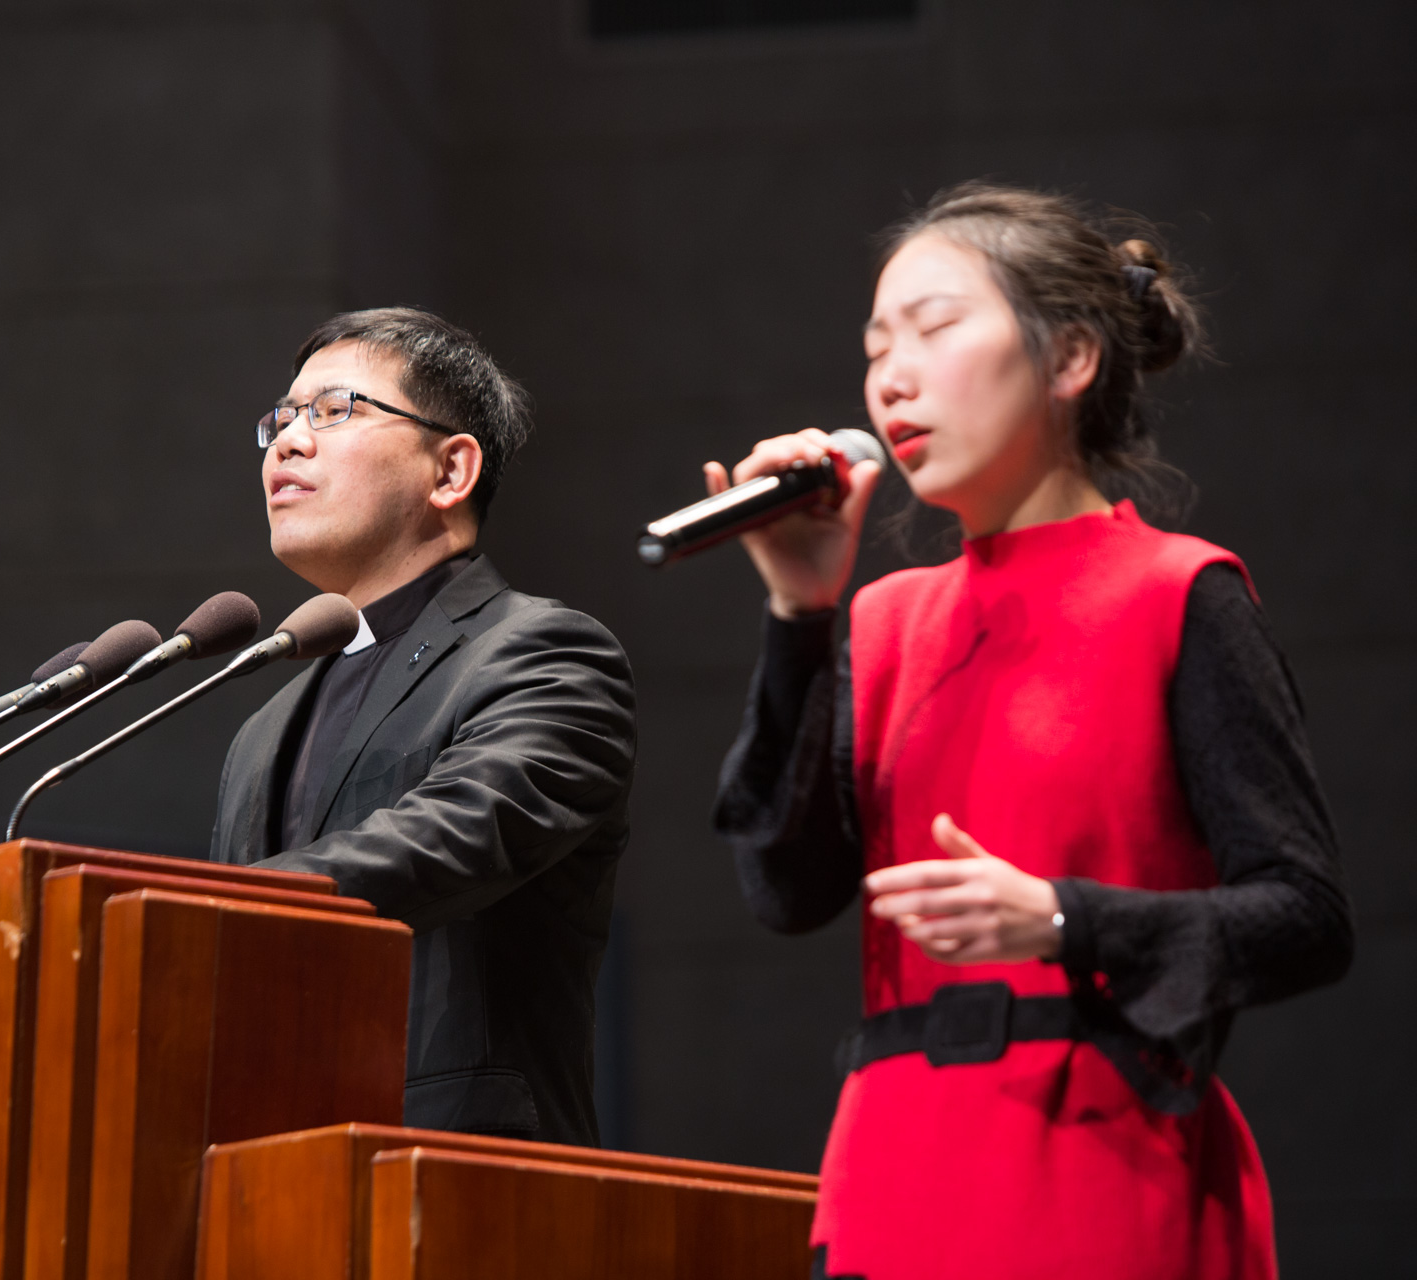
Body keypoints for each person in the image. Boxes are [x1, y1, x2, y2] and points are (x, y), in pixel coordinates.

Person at [709, 184, 1352, 1279]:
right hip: (891, 1174)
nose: (891, 377)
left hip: (1102, 1161)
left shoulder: (1178, 594)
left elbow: (1306, 916)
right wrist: (800, 615)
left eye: (936, 326)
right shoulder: (885, 617)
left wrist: (1064, 916)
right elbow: (785, 888)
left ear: (1070, 361)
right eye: (875, 347)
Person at [209, 307, 635, 1145]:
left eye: (334, 411)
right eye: (282, 419)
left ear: (451, 469)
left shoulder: (544, 654)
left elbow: (451, 839)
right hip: (256, 1179)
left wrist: (194, 910)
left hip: (456, 1168)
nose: (288, 443)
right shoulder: (263, 726)